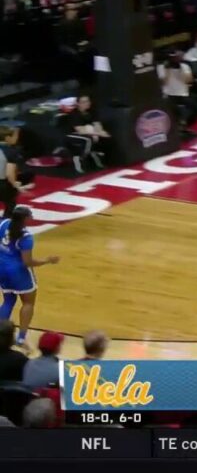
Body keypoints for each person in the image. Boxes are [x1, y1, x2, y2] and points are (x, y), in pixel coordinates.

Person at [0, 207, 59, 348]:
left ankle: (1, 334)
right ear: (24, 219)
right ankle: (21, 339)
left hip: (1, 268)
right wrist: (47, 260)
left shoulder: (3, 223)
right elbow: (27, 262)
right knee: (28, 303)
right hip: (18, 272)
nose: (32, 217)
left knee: (8, 300)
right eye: (30, 215)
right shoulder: (26, 237)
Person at [63, 95, 110, 173]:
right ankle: (79, 158)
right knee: (88, 139)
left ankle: (95, 156)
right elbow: (80, 130)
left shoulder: (92, 111)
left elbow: (97, 124)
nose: (87, 103)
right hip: (72, 134)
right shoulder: (74, 114)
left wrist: (101, 131)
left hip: (88, 131)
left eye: (88, 101)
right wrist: (98, 134)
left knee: (102, 136)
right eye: (84, 102)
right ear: (78, 104)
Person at [0, 127, 27, 219]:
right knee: (10, 204)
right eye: (15, 136)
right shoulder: (11, 152)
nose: (16, 139)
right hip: (2, 184)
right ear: (7, 138)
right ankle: (3, 226)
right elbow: (9, 173)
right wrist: (16, 185)